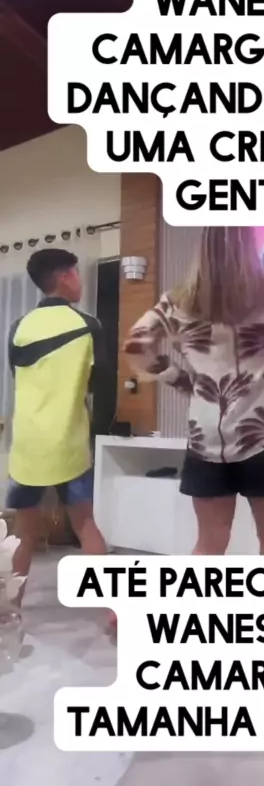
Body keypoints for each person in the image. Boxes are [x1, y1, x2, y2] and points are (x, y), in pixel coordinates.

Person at [124, 226, 264, 556]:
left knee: (209, 543)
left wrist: (182, 380)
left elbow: (135, 344)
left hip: (206, 435)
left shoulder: (175, 302)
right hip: (263, 430)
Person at [6, 248, 110, 616]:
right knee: (85, 525)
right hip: (69, 444)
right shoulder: (89, 325)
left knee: (24, 534)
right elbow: (98, 384)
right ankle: (113, 611)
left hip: (28, 446)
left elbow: (20, 379)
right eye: (77, 273)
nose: (79, 281)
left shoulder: (19, 327)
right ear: (65, 277)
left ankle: (9, 607)